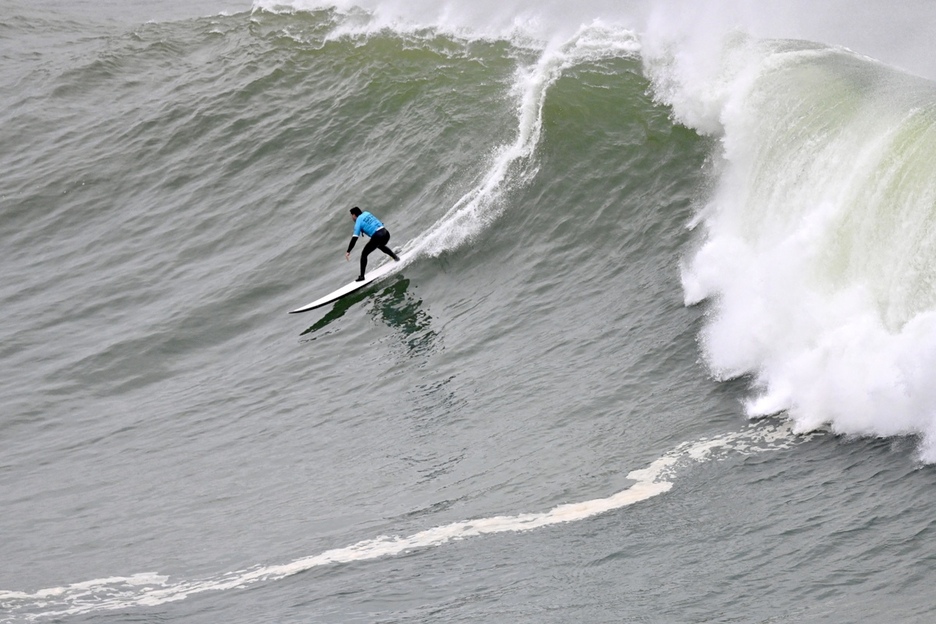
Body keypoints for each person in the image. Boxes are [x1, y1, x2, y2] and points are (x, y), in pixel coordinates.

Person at [345, 206, 399, 281]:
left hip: (378, 236)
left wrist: (348, 251)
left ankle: (362, 277)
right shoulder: (367, 213)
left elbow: (355, 237)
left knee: (364, 254)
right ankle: (396, 257)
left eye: (352, 216)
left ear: (354, 215)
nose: (352, 218)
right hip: (386, 233)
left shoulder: (358, 220)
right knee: (380, 245)